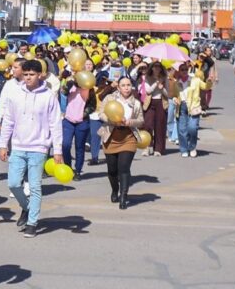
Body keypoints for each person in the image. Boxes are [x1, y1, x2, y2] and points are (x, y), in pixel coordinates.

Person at [0, 60, 64, 238]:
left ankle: (32, 223)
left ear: (40, 75)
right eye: (25, 74)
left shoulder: (48, 96)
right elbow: (9, 121)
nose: (28, 77)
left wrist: (57, 150)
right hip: (18, 146)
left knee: (34, 186)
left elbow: (55, 124)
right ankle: (27, 208)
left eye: (32, 74)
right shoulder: (15, 94)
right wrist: (3, 144)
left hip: (39, 147)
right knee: (13, 184)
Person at [98, 77, 144, 209]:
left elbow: (141, 120)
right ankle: (115, 189)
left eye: (128, 85)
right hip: (111, 136)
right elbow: (101, 113)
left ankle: (123, 196)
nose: (126, 88)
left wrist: (131, 122)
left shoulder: (135, 103)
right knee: (112, 170)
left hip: (128, 137)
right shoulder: (110, 99)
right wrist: (112, 120)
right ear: (118, 87)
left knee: (123, 168)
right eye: (123, 85)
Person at [59, 68, 98, 180]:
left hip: (82, 122)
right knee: (65, 145)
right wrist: (71, 83)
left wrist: (84, 114)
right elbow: (63, 92)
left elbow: (92, 106)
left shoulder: (89, 89)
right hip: (68, 120)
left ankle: (78, 171)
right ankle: (68, 167)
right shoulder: (71, 85)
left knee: (79, 147)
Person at [174, 63, 206, 158]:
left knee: (192, 128)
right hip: (181, 106)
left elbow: (205, 87)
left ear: (188, 69)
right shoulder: (177, 82)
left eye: (185, 69)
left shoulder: (194, 80)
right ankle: (184, 149)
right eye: (182, 69)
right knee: (182, 130)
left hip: (193, 107)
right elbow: (173, 95)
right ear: (179, 71)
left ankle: (192, 147)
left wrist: (210, 81)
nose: (184, 71)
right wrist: (175, 99)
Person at [140, 62, 169, 156]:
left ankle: (158, 149)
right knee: (148, 125)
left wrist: (162, 88)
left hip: (161, 102)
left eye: (158, 67)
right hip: (150, 102)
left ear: (161, 69)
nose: (156, 69)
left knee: (159, 126)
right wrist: (156, 83)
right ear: (151, 68)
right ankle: (146, 147)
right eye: (154, 67)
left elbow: (168, 94)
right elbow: (148, 91)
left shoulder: (165, 78)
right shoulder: (147, 77)